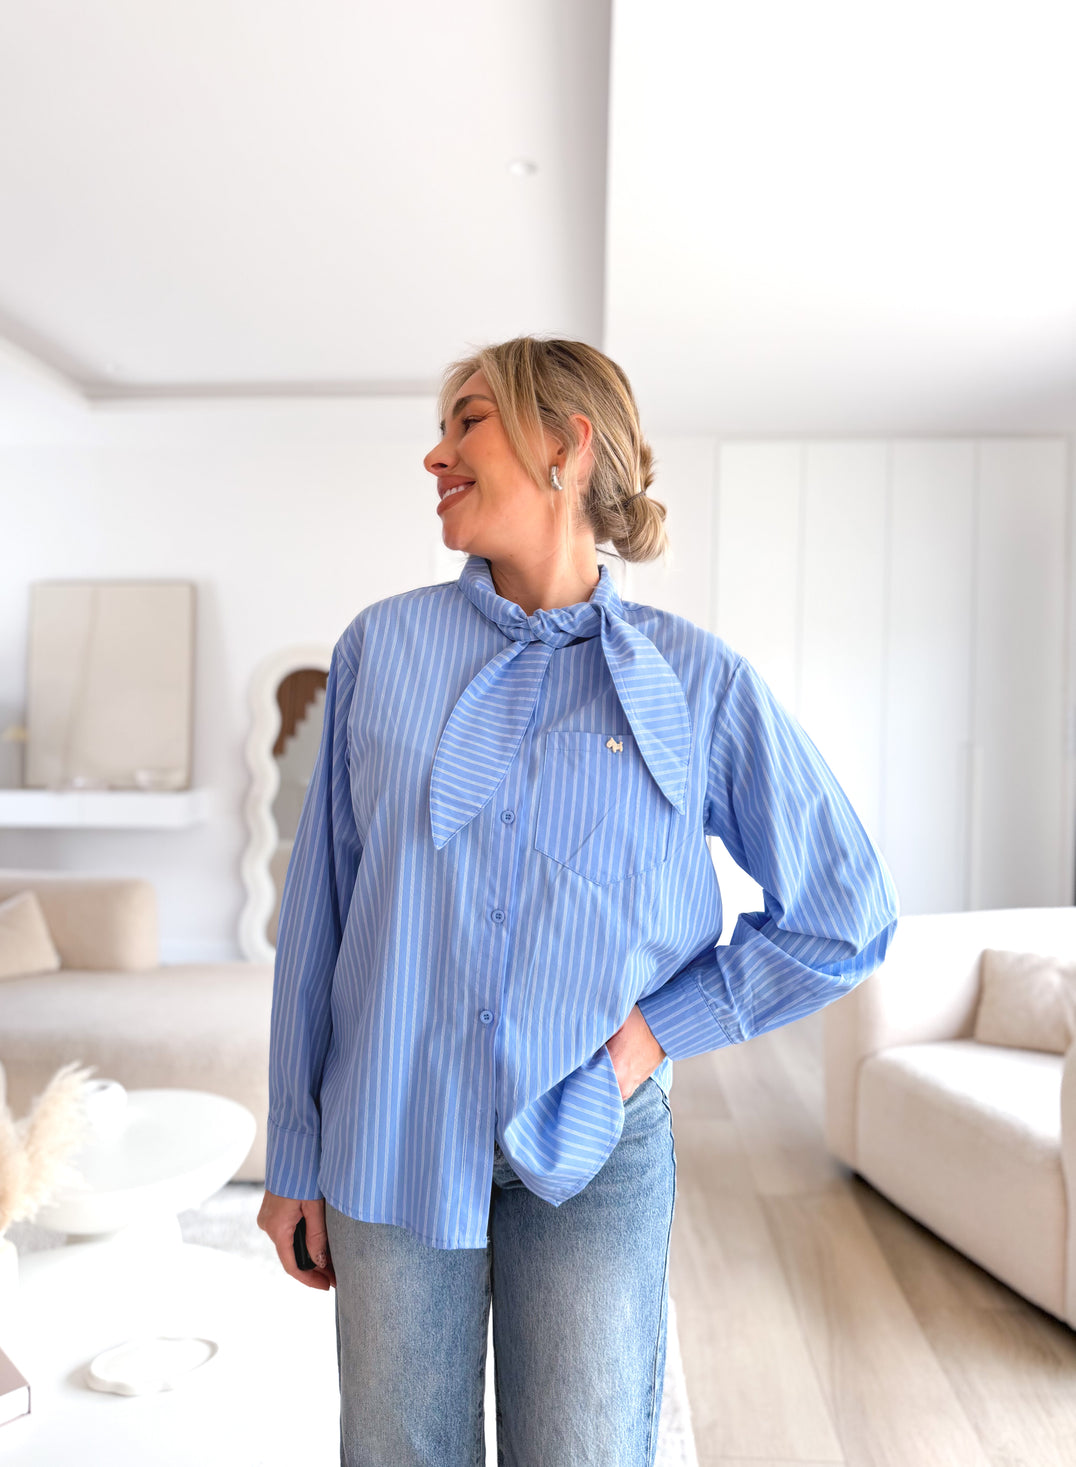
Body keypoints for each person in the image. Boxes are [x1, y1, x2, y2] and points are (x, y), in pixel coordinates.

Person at [257, 335, 900, 1466]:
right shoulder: (379, 649)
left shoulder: (695, 680)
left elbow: (844, 911)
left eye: (467, 421)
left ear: (567, 444)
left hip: (596, 1146)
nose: (434, 454)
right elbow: (320, 916)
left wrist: (651, 1036)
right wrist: (293, 1154)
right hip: (390, 1129)